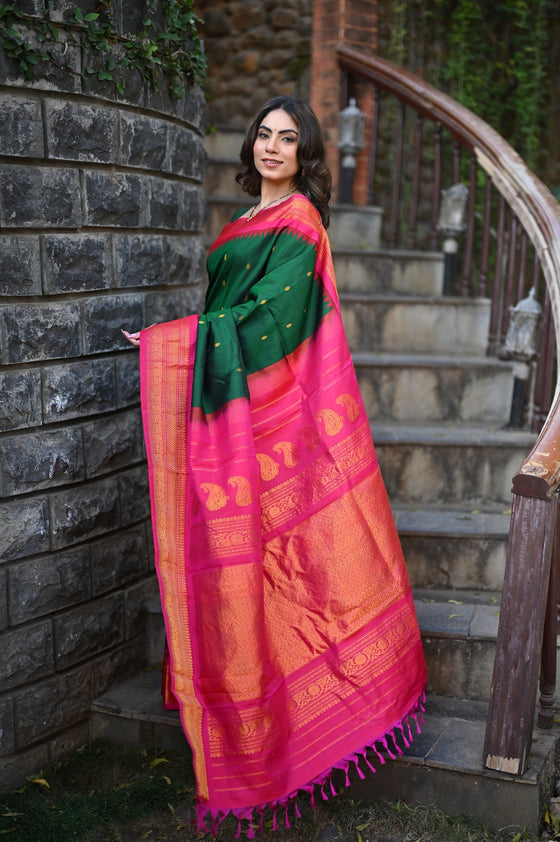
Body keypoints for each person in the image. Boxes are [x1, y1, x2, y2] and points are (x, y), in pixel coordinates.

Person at [123, 96, 426, 836]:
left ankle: (322, 707)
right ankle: (236, 697)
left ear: (305, 153)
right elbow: (233, 312)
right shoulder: (245, 222)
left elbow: (269, 323)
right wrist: (194, 343)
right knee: (237, 558)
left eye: (288, 139)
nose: (271, 147)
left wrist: (177, 343)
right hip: (233, 413)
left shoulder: (299, 223)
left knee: (291, 557)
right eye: (264, 134)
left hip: (272, 414)